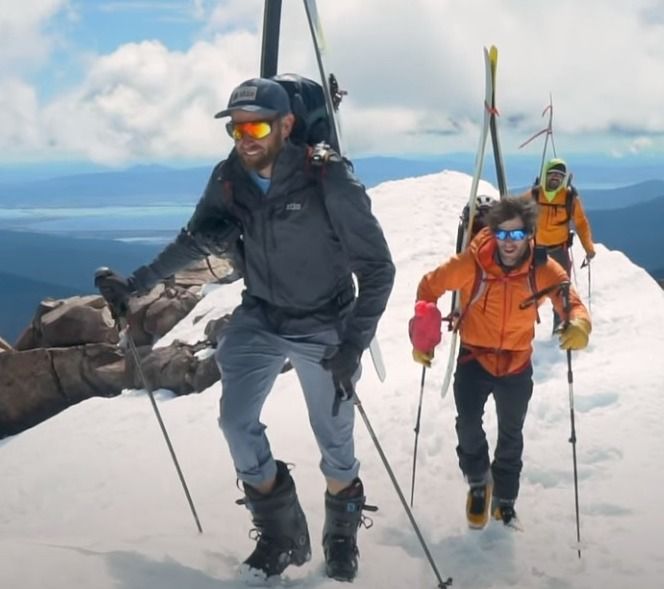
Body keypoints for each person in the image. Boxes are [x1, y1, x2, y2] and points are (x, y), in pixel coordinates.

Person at [95, 77, 395, 582]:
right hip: (261, 315)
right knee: (236, 424)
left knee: (335, 441)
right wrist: (135, 285)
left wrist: (352, 344)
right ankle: (282, 534)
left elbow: (378, 269)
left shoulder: (328, 179)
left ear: (287, 125)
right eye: (235, 128)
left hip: (325, 322)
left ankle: (340, 537)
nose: (245, 137)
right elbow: (195, 240)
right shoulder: (229, 177)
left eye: (256, 125)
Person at [409, 195, 590, 529]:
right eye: (503, 235)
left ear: (529, 235)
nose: (509, 243)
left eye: (517, 235)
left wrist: (579, 323)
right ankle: (479, 481)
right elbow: (428, 287)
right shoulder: (471, 264)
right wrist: (424, 336)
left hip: (516, 362)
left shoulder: (542, 269)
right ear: (492, 233)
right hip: (473, 357)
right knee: (468, 424)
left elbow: (570, 299)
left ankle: (504, 499)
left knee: (511, 432)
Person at [526, 158, 596, 331]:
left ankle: (560, 327)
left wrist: (589, 248)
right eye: (553, 174)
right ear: (545, 175)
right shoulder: (534, 195)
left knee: (561, 292)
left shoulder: (569, 197)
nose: (556, 178)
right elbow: (517, 213)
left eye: (560, 175)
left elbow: (581, 223)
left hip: (559, 250)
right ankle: (524, 328)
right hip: (536, 251)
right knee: (528, 290)